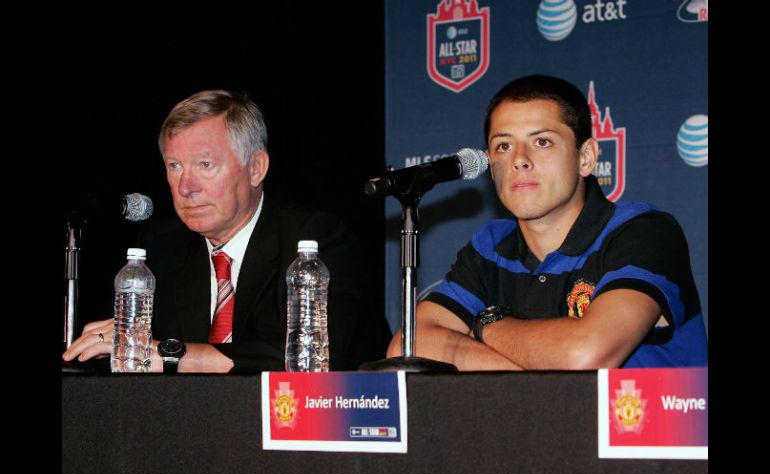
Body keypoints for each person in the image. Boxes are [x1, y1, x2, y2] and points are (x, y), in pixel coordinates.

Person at [386, 74, 707, 370]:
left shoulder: (643, 232)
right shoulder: (490, 247)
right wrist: (535, 379)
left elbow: (586, 354)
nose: (519, 159)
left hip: (650, 431)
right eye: (503, 146)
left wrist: (484, 325)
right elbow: (410, 344)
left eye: (542, 142)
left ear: (586, 158)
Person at [63, 89, 391, 373]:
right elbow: (131, 349)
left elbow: (313, 358)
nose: (186, 186)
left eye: (205, 165)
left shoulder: (314, 239)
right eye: (175, 166)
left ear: (255, 168)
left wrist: (173, 354)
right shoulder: (163, 246)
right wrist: (112, 346)